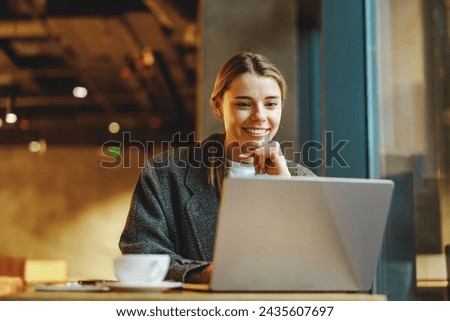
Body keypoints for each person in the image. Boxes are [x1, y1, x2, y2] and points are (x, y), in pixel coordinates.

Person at [119, 51, 315, 283]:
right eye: (244, 104)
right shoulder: (164, 174)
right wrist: (201, 274)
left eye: (271, 104)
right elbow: (141, 254)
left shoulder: (302, 180)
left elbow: (324, 266)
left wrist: (286, 195)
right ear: (218, 106)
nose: (260, 116)